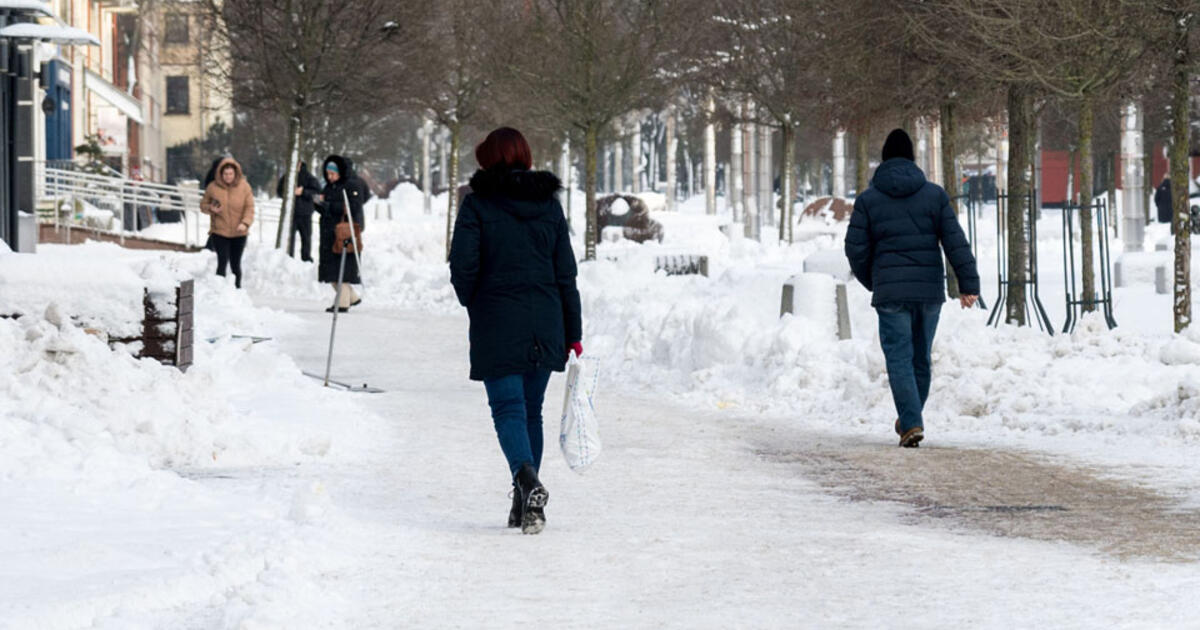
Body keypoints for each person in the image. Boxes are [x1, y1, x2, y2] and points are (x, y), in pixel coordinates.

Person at [448, 127, 582, 535]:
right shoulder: (549, 205)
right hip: (546, 319)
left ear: (489, 160)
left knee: (507, 409)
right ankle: (528, 505)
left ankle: (526, 480)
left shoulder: (477, 206)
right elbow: (566, 273)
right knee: (531, 410)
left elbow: (462, 266)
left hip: (498, 318)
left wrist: (476, 300)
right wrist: (572, 330)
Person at [844, 129, 979, 448]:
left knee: (899, 358)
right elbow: (954, 241)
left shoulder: (868, 200)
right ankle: (910, 417)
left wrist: (874, 280)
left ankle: (911, 421)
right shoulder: (934, 195)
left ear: (885, 159)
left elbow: (854, 249)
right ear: (913, 158)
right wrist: (968, 283)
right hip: (928, 293)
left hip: (891, 294)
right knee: (920, 358)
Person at [316, 155, 366, 312]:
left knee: (341, 270)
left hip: (343, 234)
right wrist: (318, 203)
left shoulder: (351, 185)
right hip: (329, 235)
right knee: (331, 272)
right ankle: (352, 298)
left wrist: (329, 206)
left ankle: (343, 303)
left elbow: (353, 207)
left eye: (333, 174)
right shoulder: (329, 187)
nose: (330, 177)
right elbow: (325, 208)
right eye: (328, 174)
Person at [200, 157, 255, 289]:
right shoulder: (212, 187)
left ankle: (237, 290)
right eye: (225, 174)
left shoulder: (245, 187)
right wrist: (211, 209)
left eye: (231, 174)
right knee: (222, 262)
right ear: (220, 173)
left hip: (239, 232)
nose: (228, 177)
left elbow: (250, 208)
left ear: (236, 173)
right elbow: (203, 205)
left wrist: (245, 223)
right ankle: (220, 291)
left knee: (236, 263)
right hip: (220, 231)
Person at [277, 161, 322, 262]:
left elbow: (318, 195)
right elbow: (279, 191)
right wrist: (288, 192)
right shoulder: (286, 177)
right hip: (291, 214)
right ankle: (288, 259)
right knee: (289, 239)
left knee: (306, 239)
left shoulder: (310, 178)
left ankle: (306, 259)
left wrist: (303, 192)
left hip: (305, 214)